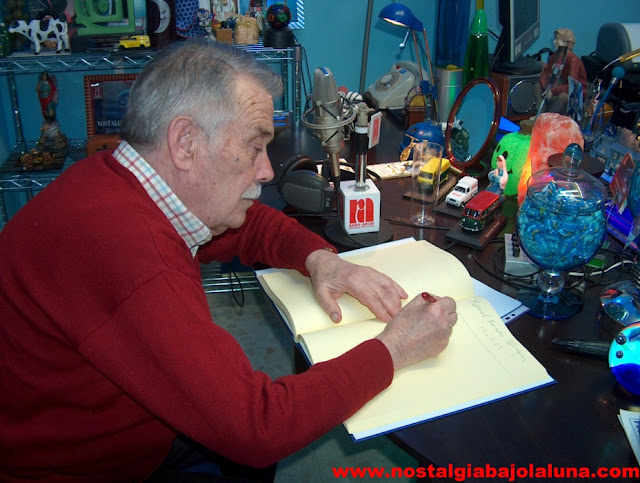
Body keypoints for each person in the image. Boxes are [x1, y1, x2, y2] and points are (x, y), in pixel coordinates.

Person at [0, 39, 457, 481]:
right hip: (78, 469)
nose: (267, 170)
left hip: (115, 425)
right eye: (255, 147)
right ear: (185, 143)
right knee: (252, 454)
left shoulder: (118, 178)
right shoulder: (136, 261)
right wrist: (396, 349)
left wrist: (321, 259)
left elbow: (247, 224)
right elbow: (259, 426)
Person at [535, 28, 588, 115]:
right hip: (557, 86)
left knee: (563, 97)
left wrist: (553, 90)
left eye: (557, 39)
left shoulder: (573, 60)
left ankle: (550, 116)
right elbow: (546, 73)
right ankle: (540, 113)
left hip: (573, 91)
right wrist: (546, 87)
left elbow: (572, 84)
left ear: (567, 43)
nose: (554, 42)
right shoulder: (556, 56)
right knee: (538, 86)